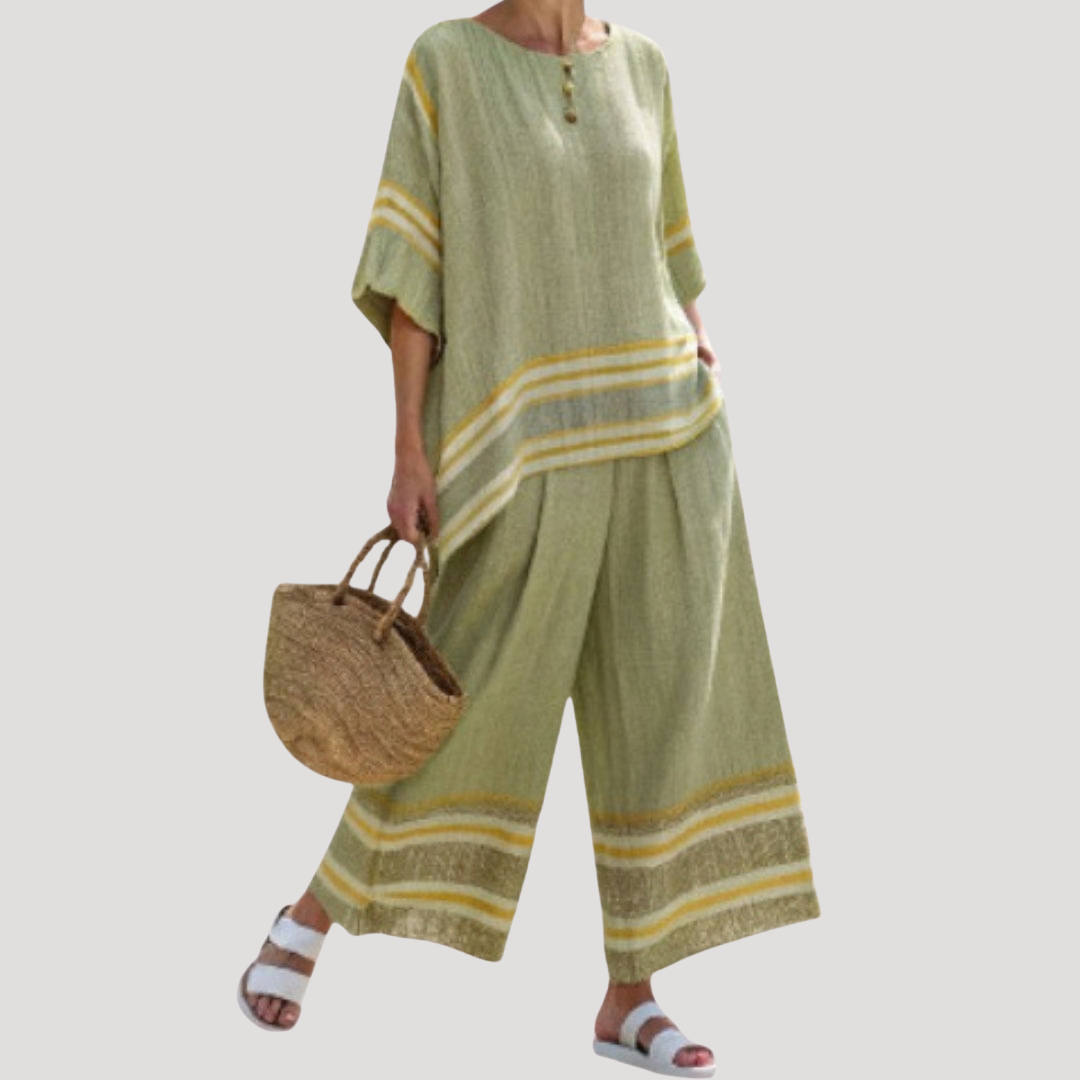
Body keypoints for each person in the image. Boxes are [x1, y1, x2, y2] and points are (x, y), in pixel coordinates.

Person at [237, 4, 820, 1075]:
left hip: (667, 435)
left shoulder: (644, 66)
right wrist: (409, 450)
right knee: (457, 704)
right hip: (519, 450)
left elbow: (670, 242)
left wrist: (702, 348)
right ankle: (313, 910)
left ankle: (631, 996)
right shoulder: (446, 66)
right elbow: (412, 271)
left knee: (663, 710)